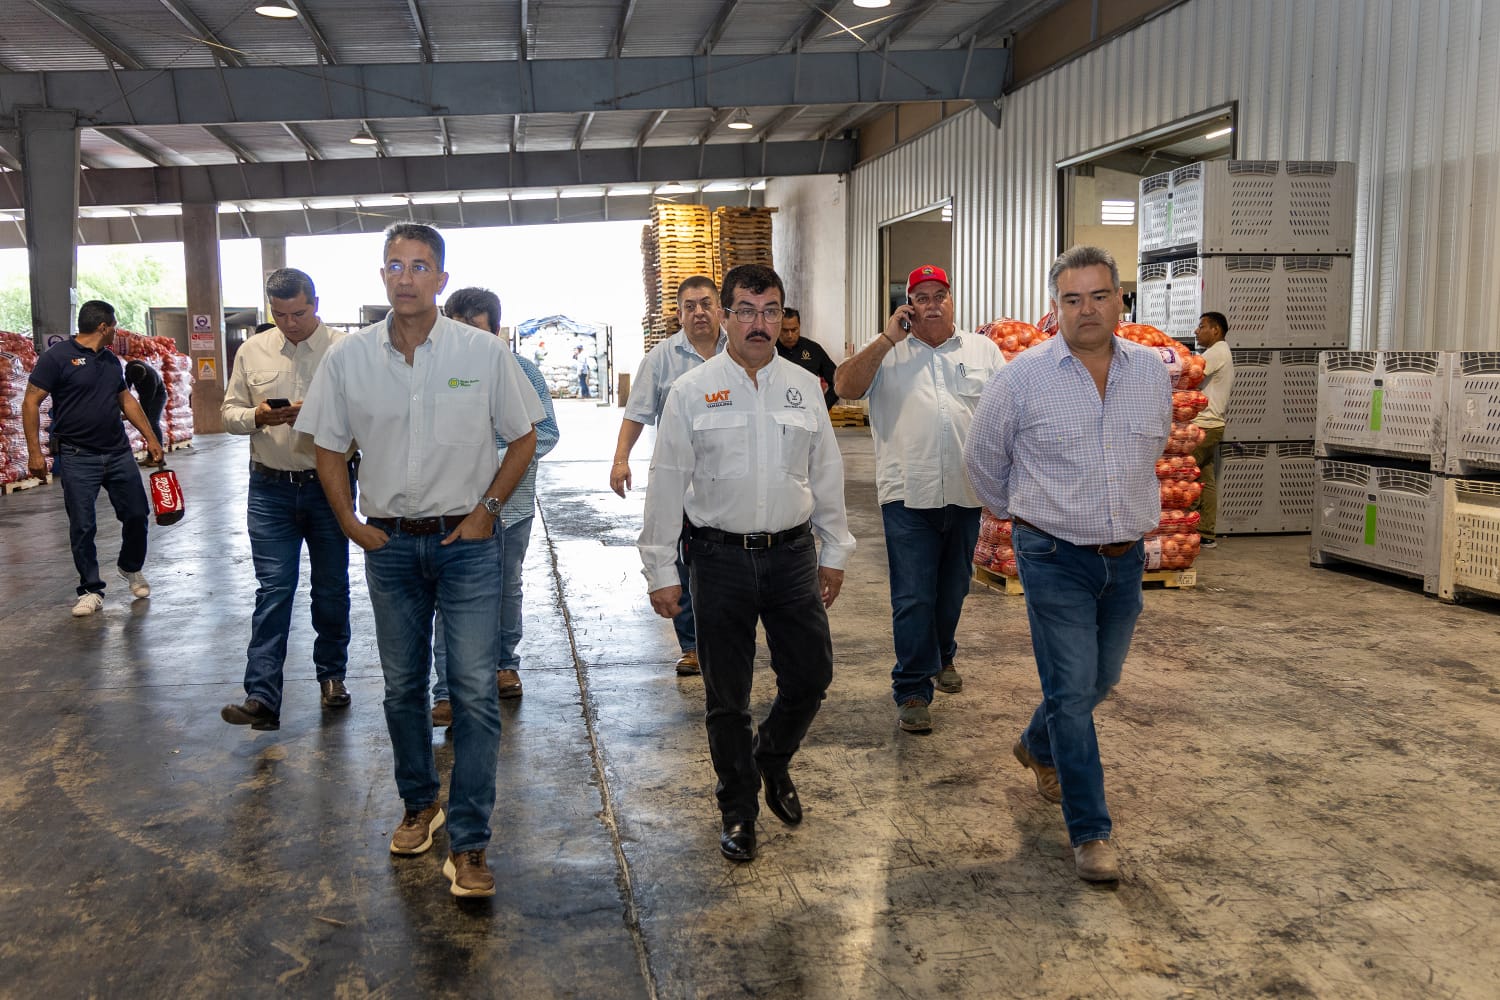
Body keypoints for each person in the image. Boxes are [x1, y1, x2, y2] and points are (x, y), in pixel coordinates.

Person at [297, 223, 543, 900]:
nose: (406, 278)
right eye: (395, 266)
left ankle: (470, 841)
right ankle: (418, 804)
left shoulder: (481, 353)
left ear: (440, 278)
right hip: (390, 547)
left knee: (473, 691)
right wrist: (350, 522)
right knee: (403, 687)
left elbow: (522, 438)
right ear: (383, 276)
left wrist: (487, 511)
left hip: (468, 546)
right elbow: (326, 446)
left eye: (420, 266)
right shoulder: (349, 359)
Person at [964, 245, 1171, 883]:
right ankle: (1091, 831)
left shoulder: (1150, 372)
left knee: (1098, 680)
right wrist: (1026, 516)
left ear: (1119, 300)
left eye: (1099, 296)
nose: (1087, 310)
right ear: (1055, 307)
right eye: (1072, 299)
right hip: (1052, 554)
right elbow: (982, 460)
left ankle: (1036, 743)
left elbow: (1156, 445)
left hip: (1125, 557)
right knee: (1073, 691)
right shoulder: (1022, 377)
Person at [639, 263, 854, 864]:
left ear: (782, 317)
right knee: (726, 696)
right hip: (718, 560)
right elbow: (666, 481)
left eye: (770, 311)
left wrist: (835, 549)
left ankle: (772, 758)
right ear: (727, 317)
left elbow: (826, 473)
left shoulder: (805, 386)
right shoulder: (692, 391)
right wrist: (660, 568)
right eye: (747, 311)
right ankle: (738, 808)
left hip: (792, 556)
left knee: (811, 676)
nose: (759, 324)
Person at [832, 264, 1003, 735]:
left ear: (952, 300)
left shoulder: (982, 351)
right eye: (920, 297)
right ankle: (911, 688)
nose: (931, 304)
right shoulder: (888, 352)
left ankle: (943, 654)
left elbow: (1007, 411)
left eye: (938, 295)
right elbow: (844, 387)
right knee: (912, 596)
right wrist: (887, 339)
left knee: (952, 592)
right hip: (907, 494)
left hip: (966, 492)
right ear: (907, 304)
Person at [218, 268, 355, 732]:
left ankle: (332, 677)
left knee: (331, 588)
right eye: (280, 315)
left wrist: (316, 418)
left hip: (329, 485)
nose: (290, 323)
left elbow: (367, 417)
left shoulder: (345, 350)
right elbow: (228, 414)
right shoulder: (252, 351)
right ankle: (261, 696)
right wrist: (257, 416)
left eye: (298, 313)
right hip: (269, 488)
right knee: (273, 590)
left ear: (315, 303)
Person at [429, 287, 560, 723]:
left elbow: (545, 434)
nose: (468, 340)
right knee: (451, 597)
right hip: (453, 507)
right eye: (459, 329)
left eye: (477, 330)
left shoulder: (523, 371)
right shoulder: (433, 373)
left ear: (496, 330)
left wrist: (491, 462)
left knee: (506, 586)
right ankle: (446, 692)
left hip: (512, 507)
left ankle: (505, 665)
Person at [610, 276, 727, 676]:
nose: (699, 312)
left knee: (726, 564)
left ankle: (725, 640)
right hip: (680, 480)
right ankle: (693, 646)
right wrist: (621, 459)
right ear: (679, 314)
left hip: (731, 480)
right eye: (690, 306)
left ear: (720, 309)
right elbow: (637, 413)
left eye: (706, 304)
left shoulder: (739, 351)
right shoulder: (660, 359)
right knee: (681, 564)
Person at [22, 300, 164, 617]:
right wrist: (34, 451)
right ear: (103, 327)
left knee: (137, 514)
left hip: (118, 452)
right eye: (113, 326)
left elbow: (125, 399)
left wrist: (151, 437)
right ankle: (90, 589)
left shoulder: (111, 360)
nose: (115, 331)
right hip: (77, 456)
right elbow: (31, 401)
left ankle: (130, 566)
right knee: (83, 525)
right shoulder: (56, 357)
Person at [1191, 311, 1234, 549]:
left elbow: (1190, 374)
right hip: (1213, 426)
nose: (1197, 331)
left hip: (1204, 426)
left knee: (1184, 475)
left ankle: (1183, 529)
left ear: (1215, 330)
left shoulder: (1216, 352)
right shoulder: (1221, 352)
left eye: (1202, 326)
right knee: (1205, 478)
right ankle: (1206, 533)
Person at [775, 307, 838, 408]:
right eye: (785, 330)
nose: (790, 335)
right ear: (777, 327)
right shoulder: (768, 351)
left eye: (794, 330)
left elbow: (838, 381)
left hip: (807, 412)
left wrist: (823, 407)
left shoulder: (813, 349)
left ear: (799, 326)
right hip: (777, 411)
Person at [123, 357, 167, 457]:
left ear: (144, 376)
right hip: (144, 394)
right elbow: (126, 387)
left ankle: (158, 455)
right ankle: (151, 455)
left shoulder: (151, 380)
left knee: (152, 423)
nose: (137, 384)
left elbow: (145, 404)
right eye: (135, 382)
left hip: (158, 396)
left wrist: (139, 416)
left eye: (139, 381)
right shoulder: (129, 367)